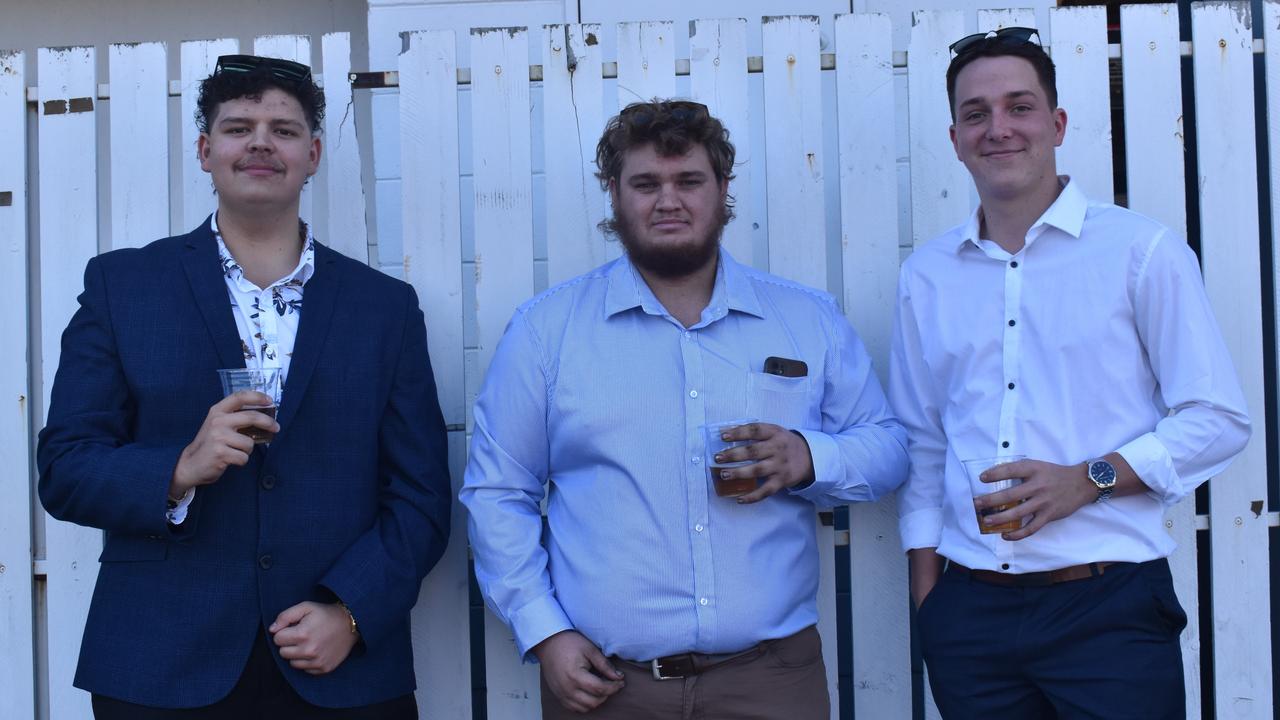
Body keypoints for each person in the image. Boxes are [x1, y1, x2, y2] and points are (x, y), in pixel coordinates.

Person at [460, 98, 908, 719]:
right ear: (614, 194)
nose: (668, 200)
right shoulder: (547, 332)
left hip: (771, 682)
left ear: (722, 188)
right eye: (646, 183)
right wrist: (545, 631)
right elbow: (497, 492)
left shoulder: (806, 319)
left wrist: (809, 456)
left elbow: (886, 444)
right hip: (607, 687)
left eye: (689, 181)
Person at [37, 54, 452, 718]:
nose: (260, 142)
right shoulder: (124, 287)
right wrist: (176, 468)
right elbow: (65, 467)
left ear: (313, 154)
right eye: (239, 127)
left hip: (340, 670)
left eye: (283, 129)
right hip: (159, 666)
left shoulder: (384, 308)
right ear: (205, 151)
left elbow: (422, 493)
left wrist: (350, 611)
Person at [890, 27, 1251, 718]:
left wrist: (1091, 479)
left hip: (1107, 608)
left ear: (1055, 123)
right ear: (956, 137)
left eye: (1019, 106)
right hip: (969, 615)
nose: (998, 128)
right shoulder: (925, 277)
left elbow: (1219, 420)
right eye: (976, 113)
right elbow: (924, 443)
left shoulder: (1141, 253)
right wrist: (931, 601)